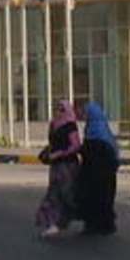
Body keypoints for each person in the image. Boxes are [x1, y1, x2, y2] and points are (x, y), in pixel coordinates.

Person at [36, 100, 83, 239]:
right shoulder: (53, 124)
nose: (59, 112)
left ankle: (67, 219)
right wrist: (49, 154)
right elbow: (52, 143)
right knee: (53, 193)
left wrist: (61, 153)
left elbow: (76, 145)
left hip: (68, 165)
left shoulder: (70, 125)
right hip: (55, 165)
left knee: (68, 194)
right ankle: (52, 223)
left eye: (62, 109)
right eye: (57, 109)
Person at [76, 99, 120, 236]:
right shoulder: (105, 133)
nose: (84, 115)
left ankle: (93, 225)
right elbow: (114, 154)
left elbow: (90, 154)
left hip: (94, 177)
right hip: (107, 176)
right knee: (105, 199)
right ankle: (106, 225)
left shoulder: (93, 134)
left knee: (93, 198)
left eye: (86, 113)